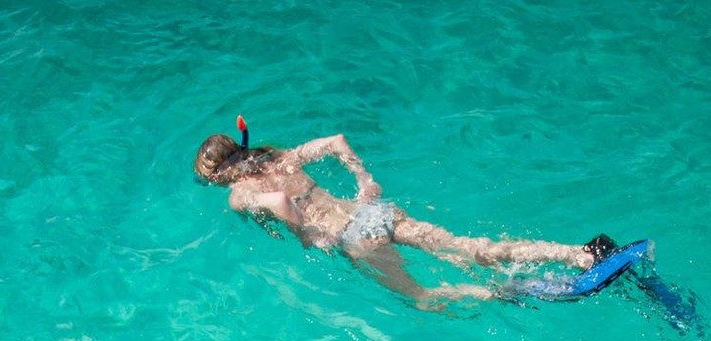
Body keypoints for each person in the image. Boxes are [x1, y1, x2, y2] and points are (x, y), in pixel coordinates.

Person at [193, 130, 614, 308]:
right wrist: (365, 179)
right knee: (471, 248)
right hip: (370, 211)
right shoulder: (279, 157)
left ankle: (520, 290)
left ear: (215, 175)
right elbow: (336, 141)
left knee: (423, 298)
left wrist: (307, 234)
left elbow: (280, 204)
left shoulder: (239, 193)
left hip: (354, 237)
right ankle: (581, 253)